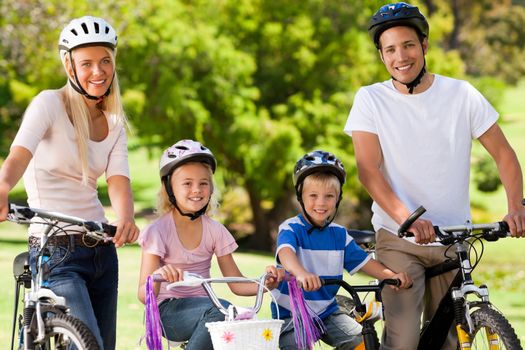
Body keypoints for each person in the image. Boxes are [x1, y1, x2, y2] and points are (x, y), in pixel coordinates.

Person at [344, 3, 525, 349]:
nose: (401, 56)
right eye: (391, 49)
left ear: (424, 45)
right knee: (405, 340)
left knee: (449, 340)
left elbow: (504, 155)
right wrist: (407, 219)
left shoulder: (461, 95)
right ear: (382, 56)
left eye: (408, 45)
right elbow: (368, 170)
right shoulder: (370, 100)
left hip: (453, 241)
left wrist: (515, 207)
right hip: (400, 242)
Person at [0, 16, 139, 349]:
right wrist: (3, 186)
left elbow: (118, 178)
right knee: (86, 343)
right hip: (54, 247)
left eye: (105, 61)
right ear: (70, 66)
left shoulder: (114, 120)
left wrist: (127, 217)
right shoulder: (49, 104)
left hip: (101, 249)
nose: (98, 71)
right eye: (87, 63)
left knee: (101, 346)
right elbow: (19, 155)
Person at [137, 139, 282, 350]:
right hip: (166, 313)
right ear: (169, 188)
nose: (196, 189)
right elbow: (143, 294)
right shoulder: (157, 231)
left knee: (226, 315)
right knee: (222, 312)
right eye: (187, 183)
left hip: (207, 308)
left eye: (203, 183)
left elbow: (237, 284)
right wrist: (158, 278)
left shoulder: (215, 230)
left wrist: (267, 282)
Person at [271, 150, 412, 350]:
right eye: (313, 195)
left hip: (327, 312)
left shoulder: (339, 235)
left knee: (364, 343)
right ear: (300, 196)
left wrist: (391, 276)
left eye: (329, 196)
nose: (321, 203)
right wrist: (301, 273)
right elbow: (286, 253)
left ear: (338, 199)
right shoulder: (291, 228)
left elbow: (364, 262)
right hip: (292, 314)